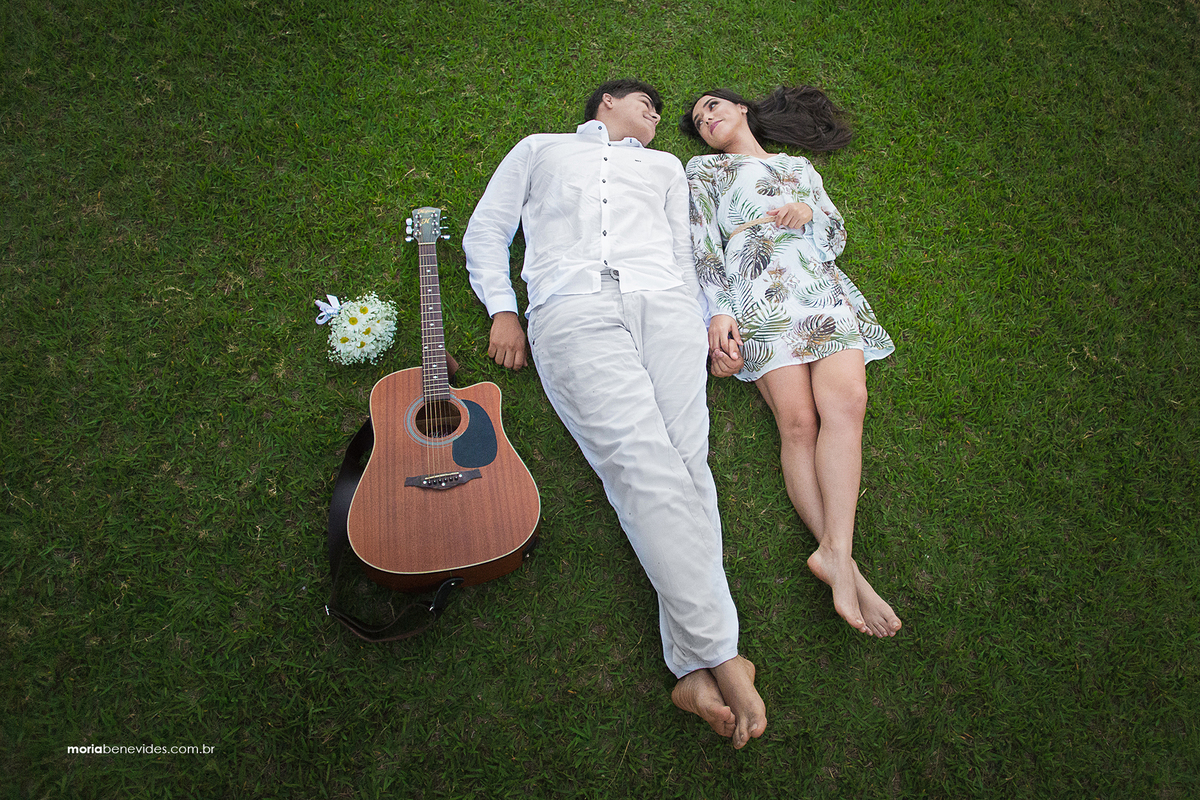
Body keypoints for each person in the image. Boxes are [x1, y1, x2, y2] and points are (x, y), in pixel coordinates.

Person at [461, 79, 766, 748]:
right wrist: (503, 309)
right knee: (641, 465)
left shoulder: (666, 167)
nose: (656, 115)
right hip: (573, 307)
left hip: (667, 308)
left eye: (659, 111)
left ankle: (692, 669)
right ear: (606, 102)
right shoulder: (541, 149)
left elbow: (686, 252)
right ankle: (723, 656)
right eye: (644, 103)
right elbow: (488, 229)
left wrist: (711, 316)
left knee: (689, 469)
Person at [680, 86, 902, 638]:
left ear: (741, 108)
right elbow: (702, 246)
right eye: (698, 120)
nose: (706, 119)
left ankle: (836, 552)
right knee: (798, 424)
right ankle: (847, 569)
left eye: (712, 106)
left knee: (848, 404)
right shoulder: (704, 171)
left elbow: (834, 234)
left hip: (817, 285)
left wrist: (808, 213)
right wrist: (717, 313)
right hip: (756, 291)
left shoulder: (798, 167)